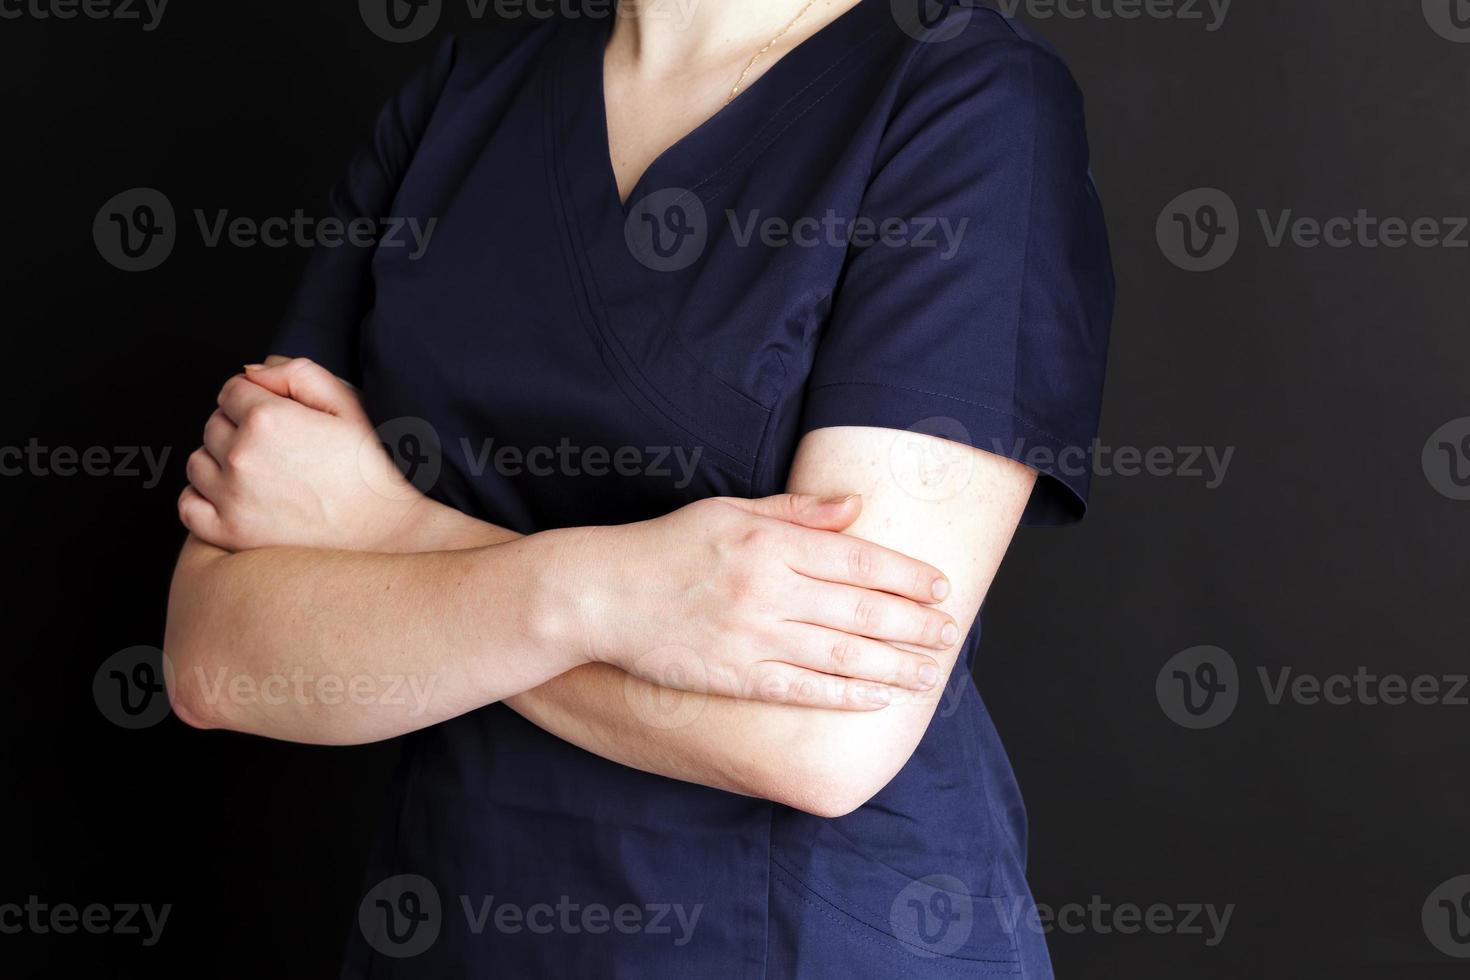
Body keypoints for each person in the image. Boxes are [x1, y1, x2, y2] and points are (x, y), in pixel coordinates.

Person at [164, 1, 1113, 975]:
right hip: (455, 924)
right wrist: (608, 593)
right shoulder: (465, 92)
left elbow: (820, 739)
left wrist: (390, 529)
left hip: (802, 939)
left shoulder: (968, 98)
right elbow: (215, 656)